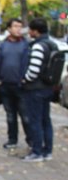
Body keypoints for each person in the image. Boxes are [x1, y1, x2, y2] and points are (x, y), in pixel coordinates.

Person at [0, 18, 31, 150]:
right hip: (5, 86)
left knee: (25, 116)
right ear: (8, 29)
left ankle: (31, 141)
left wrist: (25, 79)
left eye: (20, 26)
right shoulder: (1, 46)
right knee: (10, 116)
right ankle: (12, 139)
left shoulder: (26, 45)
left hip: (21, 87)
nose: (18, 29)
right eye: (15, 26)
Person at [22, 17, 54, 161]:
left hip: (35, 89)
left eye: (30, 30)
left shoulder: (38, 46)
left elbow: (34, 70)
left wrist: (24, 79)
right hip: (48, 87)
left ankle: (36, 152)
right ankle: (48, 151)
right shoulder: (52, 44)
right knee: (46, 120)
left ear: (35, 31)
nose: (29, 32)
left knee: (35, 120)